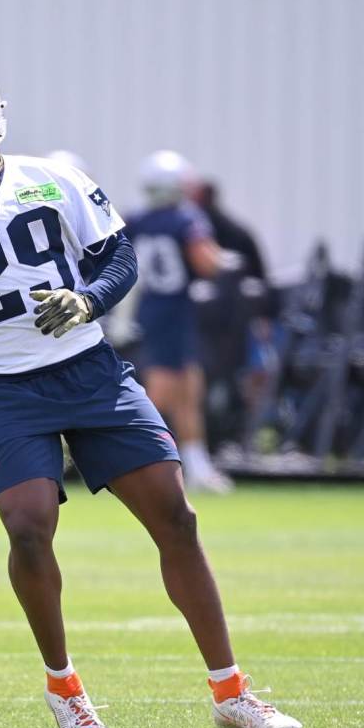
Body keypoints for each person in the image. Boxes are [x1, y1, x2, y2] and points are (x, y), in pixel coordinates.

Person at [0, 57, 300, 728]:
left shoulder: (53, 178)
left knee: (176, 516)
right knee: (27, 525)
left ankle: (232, 691)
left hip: (90, 371)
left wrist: (87, 300)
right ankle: (66, 691)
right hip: (6, 386)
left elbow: (120, 259)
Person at [125, 151, 233, 493]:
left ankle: (197, 464)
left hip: (151, 307)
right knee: (162, 395)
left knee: (189, 391)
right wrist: (225, 260)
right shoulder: (186, 219)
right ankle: (136, 462)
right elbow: (206, 264)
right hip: (173, 309)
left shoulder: (137, 220)